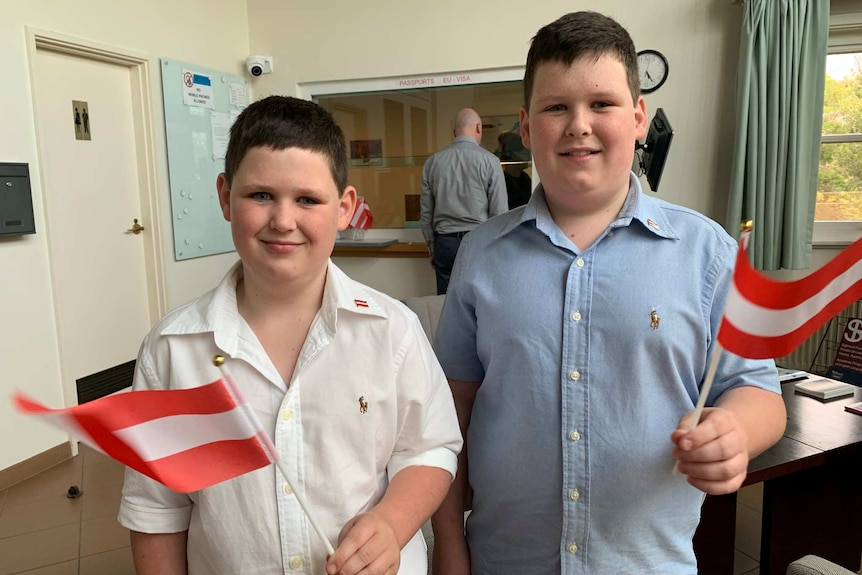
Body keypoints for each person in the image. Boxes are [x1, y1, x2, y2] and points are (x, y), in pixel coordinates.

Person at [430, 11, 786, 575]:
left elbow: (758, 390)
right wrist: (448, 544)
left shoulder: (707, 252)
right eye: (556, 107)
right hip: (505, 559)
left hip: (647, 563)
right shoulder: (481, 254)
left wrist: (737, 431)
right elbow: (451, 409)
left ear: (639, 117)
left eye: (602, 104)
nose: (579, 125)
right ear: (525, 127)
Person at [118, 95, 462, 575]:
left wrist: (391, 522)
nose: (283, 220)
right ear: (224, 197)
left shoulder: (392, 330)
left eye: (307, 199)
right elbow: (157, 509)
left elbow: (430, 446)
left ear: (344, 208)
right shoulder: (173, 351)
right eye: (260, 195)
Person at [420, 108, 507, 295]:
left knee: (443, 306)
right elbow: (499, 213)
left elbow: (426, 214)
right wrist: (496, 250)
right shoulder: (490, 161)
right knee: (479, 305)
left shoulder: (433, 162)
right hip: (479, 241)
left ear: (454, 131)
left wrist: (433, 248)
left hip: (445, 243)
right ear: (478, 127)